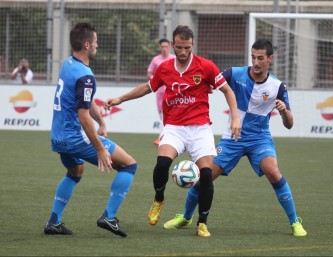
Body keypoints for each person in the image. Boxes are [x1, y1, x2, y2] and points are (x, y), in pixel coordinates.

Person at [105, 25, 241, 237]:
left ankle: (202, 223)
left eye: (187, 47)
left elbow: (227, 90)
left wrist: (235, 117)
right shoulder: (165, 68)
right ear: (173, 45)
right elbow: (147, 87)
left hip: (200, 128)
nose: (183, 52)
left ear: (192, 44)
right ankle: (159, 198)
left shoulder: (206, 66)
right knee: (162, 164)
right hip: (174, 127)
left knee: (206, 175)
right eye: (179, 47)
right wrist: (120, 98)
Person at [163, 39, 307, 237]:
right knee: (205, 176)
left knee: (273, 172)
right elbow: (212, 81)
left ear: (270, 59)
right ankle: (186, 217)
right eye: (253, 57)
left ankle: (294, 222)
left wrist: (283, 111)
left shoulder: (277, 86)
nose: (256, 62)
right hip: (233, 138)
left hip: (259, 139)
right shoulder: (234, 73)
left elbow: (289, 123)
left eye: (260, 58)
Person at [44, 22, 137, 238]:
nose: (98, 45)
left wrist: (102, 122)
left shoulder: (68, 63)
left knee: (75, 172)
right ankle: (109, 217)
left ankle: (53, 222)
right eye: (95, 42)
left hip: (57, 137)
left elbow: (85, 103)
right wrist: (99, 149)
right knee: (129, 165)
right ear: (87, 45)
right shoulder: (85, 76)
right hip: (74, 137)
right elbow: (82, 114)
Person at [146, 38, 175, 146]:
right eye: (162, 47)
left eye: (166, 46)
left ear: (170, 47)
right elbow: (149, 73)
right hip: (160, 93)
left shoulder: (174, 59)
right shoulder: (156, 60)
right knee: (162, 116)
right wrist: (156, 79)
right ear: (160, 48)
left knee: (167, 115)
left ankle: (161, 138)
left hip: (172, 92)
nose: (164, 49)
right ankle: (165, 137)